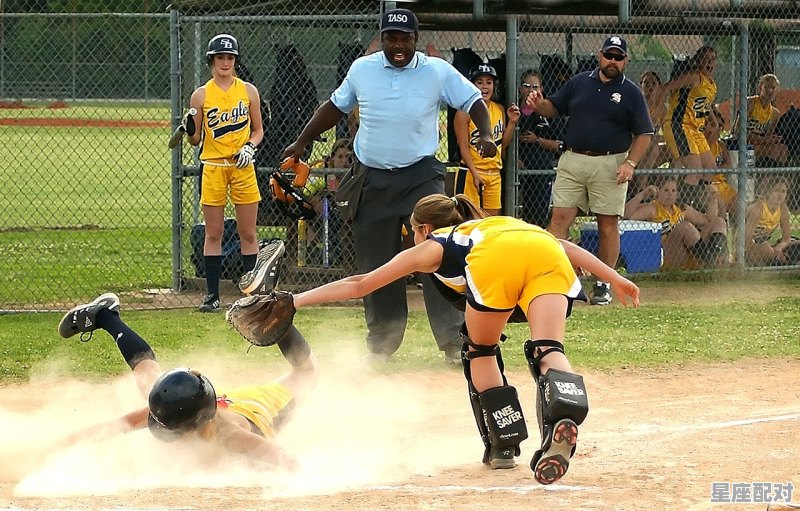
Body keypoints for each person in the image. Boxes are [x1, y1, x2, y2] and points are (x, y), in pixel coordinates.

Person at [243, 193, 639, 484]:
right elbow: (562, 246)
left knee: (480, 348)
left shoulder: (437, 244)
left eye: (412, 231)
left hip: (497, 264)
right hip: (544, 254)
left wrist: (295, 299)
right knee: (547, 349)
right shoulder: (494, 223)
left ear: (424, 228)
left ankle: (504, 445)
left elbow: (362, 284)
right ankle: (564, 412)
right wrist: (615, 277)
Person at [282, 8, 498, 364]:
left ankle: (453, 343)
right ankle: (381, 344)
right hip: (374, 177)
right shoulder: (362, 69)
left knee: (439, 255)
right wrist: (302, 142)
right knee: (377, 261)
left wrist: (486, 133)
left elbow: (473, 100)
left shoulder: (436, 70)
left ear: (416, 40)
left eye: (405, 39)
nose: (397, 45)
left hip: (422, 176)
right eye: (390, 38)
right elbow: (335, 107)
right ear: (381, 39)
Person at [53, 292, 317, 469]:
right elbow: (111, 427)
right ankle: (104, 315)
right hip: (209, 401)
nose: (164, 430)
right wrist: (50, 452)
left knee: (307, 373)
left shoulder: (233, 436)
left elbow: (287, 462)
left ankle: (279, 316)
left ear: (193, 425)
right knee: (149, 382)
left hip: (259, 406)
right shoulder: (167, 406)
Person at [526, 36, 654, 306]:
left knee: (607, 225)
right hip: (573, 159)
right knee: (559, 218)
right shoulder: (579, 82)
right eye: (609, 55)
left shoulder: (631, 92)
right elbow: (553, 108)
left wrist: (630, 164)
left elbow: (644, 133)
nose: (613, 61)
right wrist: (539, 105)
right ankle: (551, 277)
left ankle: (604, 283)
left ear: (626, 61)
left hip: (611, 164)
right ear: (600, 55)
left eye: (619, 57)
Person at [185, 34, 265, 312]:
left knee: (248, 232)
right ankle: (212, 295)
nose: (225, 62)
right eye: (220, 57)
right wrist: (190, 127)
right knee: (214, 233)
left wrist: (250, 148)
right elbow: (195, 141)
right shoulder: (201, 94)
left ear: (236, 61)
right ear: (212, 60)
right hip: (214, 167)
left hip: (242, 166)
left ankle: (252, 294)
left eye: (230, 57)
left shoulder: (249, 91)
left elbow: (258, 130)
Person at [453, 64, 520, 215]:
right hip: (471, 172)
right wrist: (475, 173)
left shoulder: (499, 109)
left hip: (494, 172)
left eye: (488, 82)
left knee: (491, 220)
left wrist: (512, 122)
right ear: (472, 85)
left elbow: (501, 145)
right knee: (470, 220)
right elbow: (463, 148)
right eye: (480, 82)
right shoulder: (464, 113)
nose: (484, 87)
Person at [659, 46, 719, 210]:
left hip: (696, 130)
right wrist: (659, 110)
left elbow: (705, 103)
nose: (709, 62)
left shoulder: (711, 84)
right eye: (705, 58)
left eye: (713, 59)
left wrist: (713, 121)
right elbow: (666, 87)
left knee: (710, 168)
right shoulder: (694, 77)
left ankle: (696, 205)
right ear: (698, 61)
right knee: (695, 170)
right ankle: (678, 209)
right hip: (680, 125)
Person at [624, 177, 728, 269]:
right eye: (666, 190)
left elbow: (708, 221)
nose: (670, 194)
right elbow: (627, 216)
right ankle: (710, 263)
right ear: (658, 191)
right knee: (684, 227)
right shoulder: (653, 208)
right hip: (666, 254)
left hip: (690, 252)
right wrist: (643, 194)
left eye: (674, 191)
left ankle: (718, 260)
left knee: (719, 221)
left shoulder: (681, 208)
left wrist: (713, 198)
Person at [516, 69, 562, 228]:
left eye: (535, 86)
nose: (530, 90)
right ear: (520, 89)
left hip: (541, 171)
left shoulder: (548, 113)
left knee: (536, 218)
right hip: (517, 171)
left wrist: (537, 140)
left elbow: (560, 145)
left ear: (541, 89)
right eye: (527, 86)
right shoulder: (514, 112)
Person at [731, 73, 788, 168]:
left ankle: (775, 176)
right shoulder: (750, 102)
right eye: (766, 87)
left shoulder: (775, 113)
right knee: (775, 150)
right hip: (743, 143)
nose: (770, 91)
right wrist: (763, 139)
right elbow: (737, 131)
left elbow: (768, 137)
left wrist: (772, 139)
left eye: (773, 88)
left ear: (776, 90)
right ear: (760, 87)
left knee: (783, 149)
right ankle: (765, 175)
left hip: (759, 144)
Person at [745, 176, 800, 266]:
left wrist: (779, 247)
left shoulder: (783, 209)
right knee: (767, 250)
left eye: (783, 191)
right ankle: (780, 262)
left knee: (796, 245)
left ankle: (780, 261)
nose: (780, 195)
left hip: (766, 246)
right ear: (769, 191)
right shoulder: (759, 208)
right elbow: (746, 239)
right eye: (776, 190)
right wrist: (768, 250)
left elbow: (787, 238)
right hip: (749, 248)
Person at [636, 71, 670, 187]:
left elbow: (667, 133)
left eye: (653, 84)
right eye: (646, 83)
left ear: (659, 87)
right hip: (635, 148)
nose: (650, 87)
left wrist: (658, 138)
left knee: (676, 149)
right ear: (641, 85)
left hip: (651, 149)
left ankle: (671, 184)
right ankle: (640, 189)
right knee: (654, 148)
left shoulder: (662, 108)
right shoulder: (637, 105)